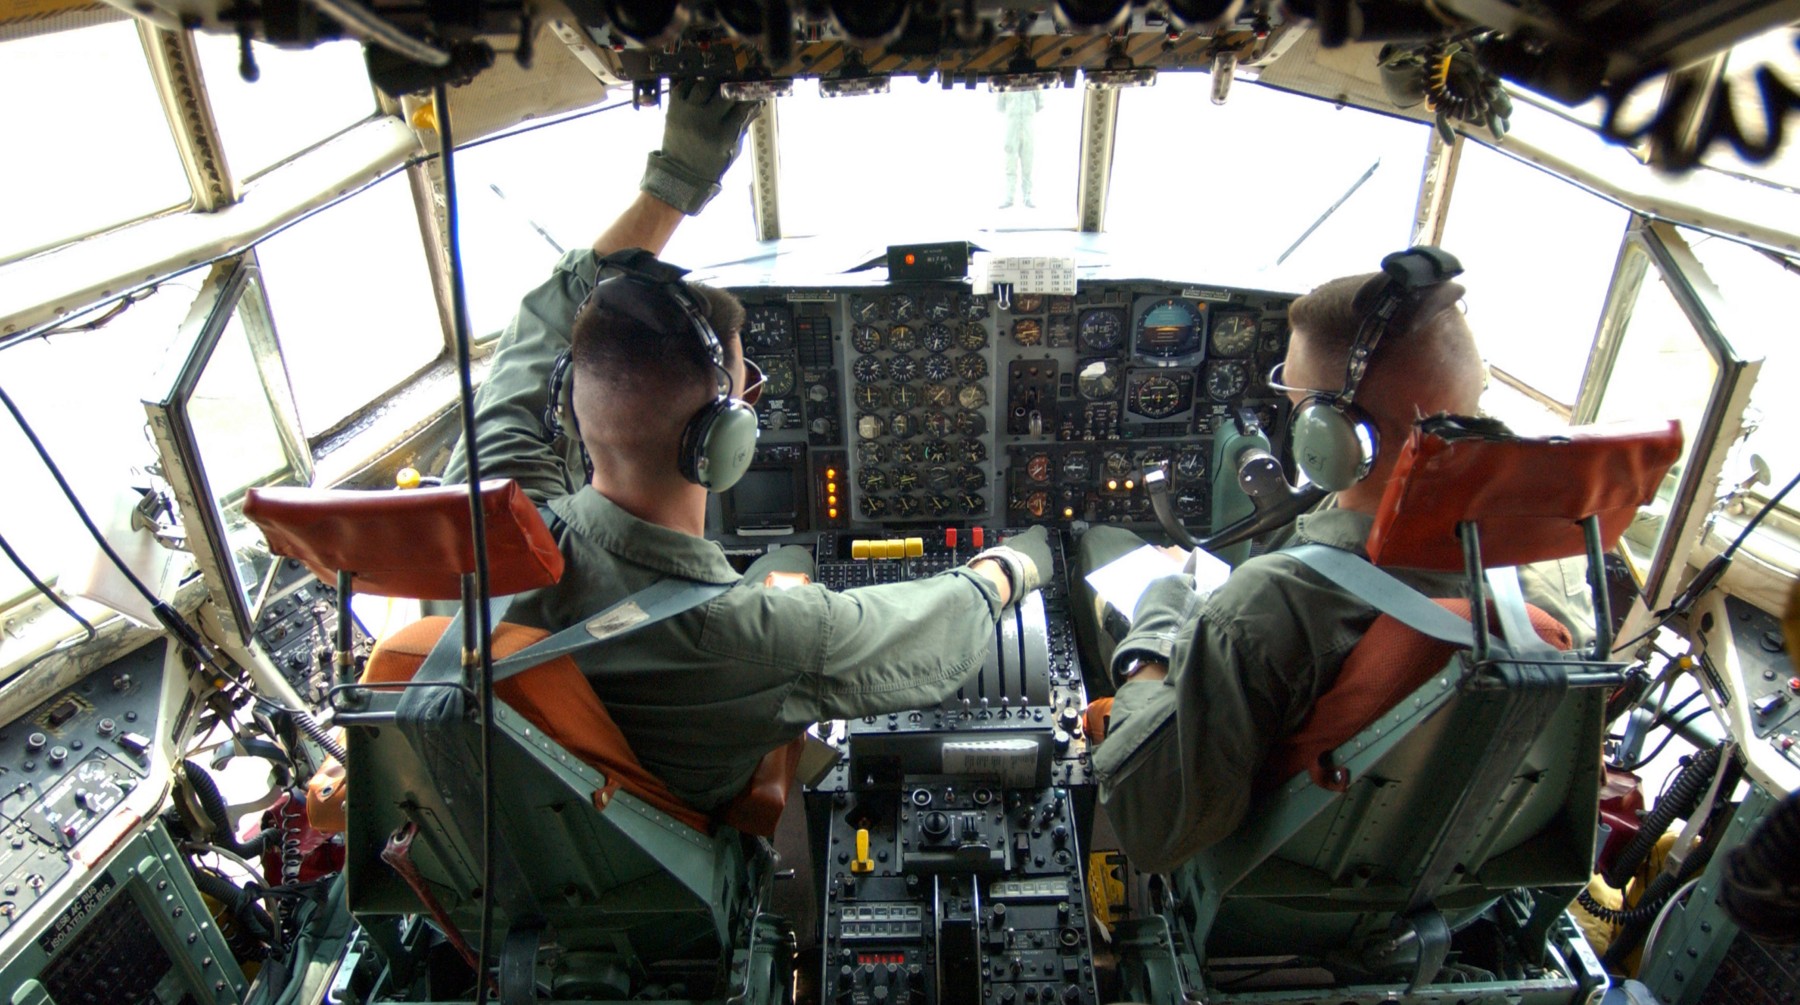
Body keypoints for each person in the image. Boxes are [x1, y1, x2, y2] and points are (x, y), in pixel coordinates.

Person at [444, 80, 1053, 815]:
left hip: (548, 830)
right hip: (682, 834)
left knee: (784, 566)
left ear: (571, 404)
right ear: (725, 441)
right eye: (746, 390)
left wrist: (672, 184)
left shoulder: (490, 520)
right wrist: (1010, 565)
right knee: (789, 577)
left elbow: (545, 320)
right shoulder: (745, 637)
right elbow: (929, 633)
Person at [1082, 260, 1596, 873]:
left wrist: (1156, 637)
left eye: (1298, 408)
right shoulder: (1557, 557)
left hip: (1263, 872)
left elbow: (1151, 824)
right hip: (1456, 869)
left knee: (1109, 549)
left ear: (1331, 437)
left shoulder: (1270, 602)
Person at [997, 90, 1042, 209]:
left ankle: (1028, 196)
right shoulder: (1005, 86)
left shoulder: (1035, 87)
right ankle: (1009, 197)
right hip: (1012, 130)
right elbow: (1000, 106)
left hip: (1028, 130)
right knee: (1010, 165)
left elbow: (1039, 105)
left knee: (1028, 165)